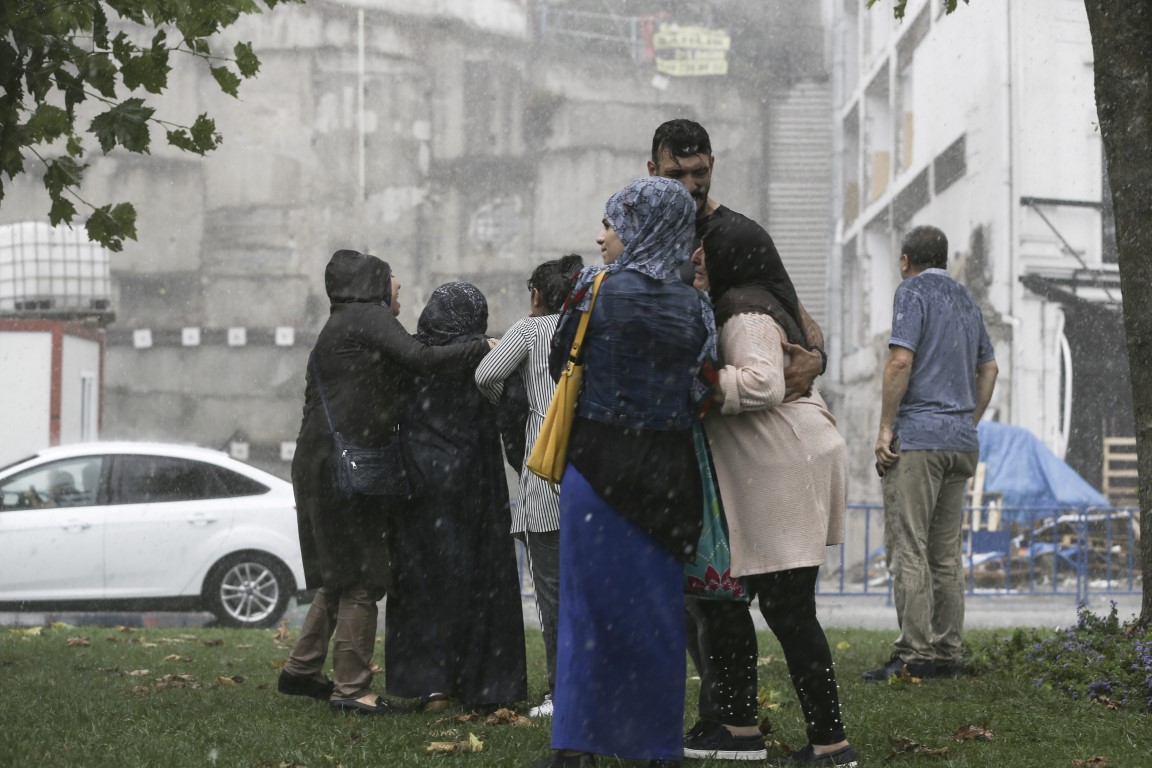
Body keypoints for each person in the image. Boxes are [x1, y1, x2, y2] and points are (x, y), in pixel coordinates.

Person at [646, 118, 831, 741]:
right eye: (678, 175)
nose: (692, 186)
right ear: (654, 172)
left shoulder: (735, 239)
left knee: (776, 602)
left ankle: (821, 740)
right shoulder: (653, 228)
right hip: (718, 451)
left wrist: (809, 357)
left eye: (701, 174)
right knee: (712, 595)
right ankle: (733, 723)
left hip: (764, 447)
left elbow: (791, 324)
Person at [543, 176, 713, 768]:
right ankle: (655, 746)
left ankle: (579, 746)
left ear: (638, 227)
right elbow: (701, 388)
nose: (600, 237)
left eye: (610, 225)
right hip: (667, 475)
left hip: (597, 467)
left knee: (585, 613)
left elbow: (565, 354)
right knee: (658, 616)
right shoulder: (697, 304)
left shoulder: (596, 289)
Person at [279, 250, 489, 715]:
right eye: (393, 280)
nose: (400, 289)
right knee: (363, 579)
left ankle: (302, 668)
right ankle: (352, 689)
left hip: (320, 461)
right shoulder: (366, 317)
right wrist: (481, 347)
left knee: (336, 576)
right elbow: (420, 358)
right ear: (372, 283)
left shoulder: (342, 324)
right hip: (346, 468)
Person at [683, 227, 857, 767]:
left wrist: (697, 379)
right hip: (776, 466)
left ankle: (830, 745)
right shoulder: (739, 305)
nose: (697, 264)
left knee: (788, 611)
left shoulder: (745, 312)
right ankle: (737, 730)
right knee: (728, 605)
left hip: (783, 466)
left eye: (707, 258)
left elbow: (763, 384)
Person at [384, 282, 528, 713]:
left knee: (422, 581)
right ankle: (484, 684)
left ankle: (431, 687)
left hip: (417, 485)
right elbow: (512, 412)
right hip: (473, 484)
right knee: (478, 579)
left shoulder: (410, 357)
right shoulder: (487, 355)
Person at [865, 225, 998, 682]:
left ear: (905, 260)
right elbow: (990, 368)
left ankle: (913, 655)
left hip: (919, 440)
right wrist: (966, 419)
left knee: (909, 546)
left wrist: (886, 427)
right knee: (945, 554)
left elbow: (900, 361)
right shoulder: (966, 300)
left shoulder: (912, 292)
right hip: (961, 443)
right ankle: (947, 653)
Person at [474, 254, 584, 718]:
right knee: (590, 596)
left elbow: (485, 374)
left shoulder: (530, 330)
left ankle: (563, 695)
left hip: (544, 478)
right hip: (590, 474)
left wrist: (512, 402)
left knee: (554, 597)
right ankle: (594, 688)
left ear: (536, 295)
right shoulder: (587, 329)